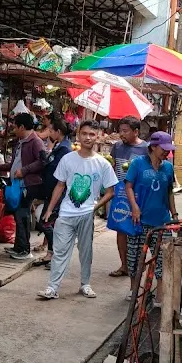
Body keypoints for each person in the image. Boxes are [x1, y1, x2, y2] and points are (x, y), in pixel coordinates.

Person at [37, 120, 118, 300]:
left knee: (85, 251)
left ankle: (85, 284)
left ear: (97, 137)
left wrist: (94, 207)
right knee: (59, 251)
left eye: (92, 134)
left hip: (86, 215)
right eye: (84, 133)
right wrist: (50, 209)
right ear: (78, 135)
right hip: (66, 213)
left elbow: (110, 191)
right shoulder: (68, 159)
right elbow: (60, 185)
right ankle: (52, 288)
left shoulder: (102, 164)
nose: (88, 137)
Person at [124, 131, 178, 286]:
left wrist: (174, 214)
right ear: (153, 147)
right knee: (135, 260)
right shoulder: (138, 164)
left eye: (169, 149)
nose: (167, 152)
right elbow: (128, 186)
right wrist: (134, 207)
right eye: (164, 148)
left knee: (163, 260)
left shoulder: (168, 167)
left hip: (162, 222)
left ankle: (160, 295)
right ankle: (134, 292)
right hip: (140, 220)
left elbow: (169, 192)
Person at [0, 112, 47, 260]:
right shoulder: (20, 142)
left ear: (22, 127)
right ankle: (19, 247)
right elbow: (14, 164)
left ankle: (24, 250)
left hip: (28, 185)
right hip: (18, 185)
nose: (13, 129)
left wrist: (24, 171)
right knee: (18, 215)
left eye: (15, 126)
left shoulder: (35, 142)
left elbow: (42, 161)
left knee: (22, 215)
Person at [108, 117, 148, 277]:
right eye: (120, 131)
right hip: (120, 194)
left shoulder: (146, 149)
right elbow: (112, 167)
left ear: (136, 131)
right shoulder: (117, 147)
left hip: (138, 195)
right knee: (121, 230)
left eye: (125, 131)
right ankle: (124, 265)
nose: (121, 134)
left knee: (138, 231)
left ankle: (137, 264)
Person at [38, 114, 73, 263]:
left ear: (58, 132)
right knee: (49, 222)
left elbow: (57, 172)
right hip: (51, 190)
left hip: (56, 192)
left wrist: (45, 158)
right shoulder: (60, 146)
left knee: (45, 222)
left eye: (51, 131)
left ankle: (57, 253)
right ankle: (52, 253)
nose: (50, 133)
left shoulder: (64, 149)